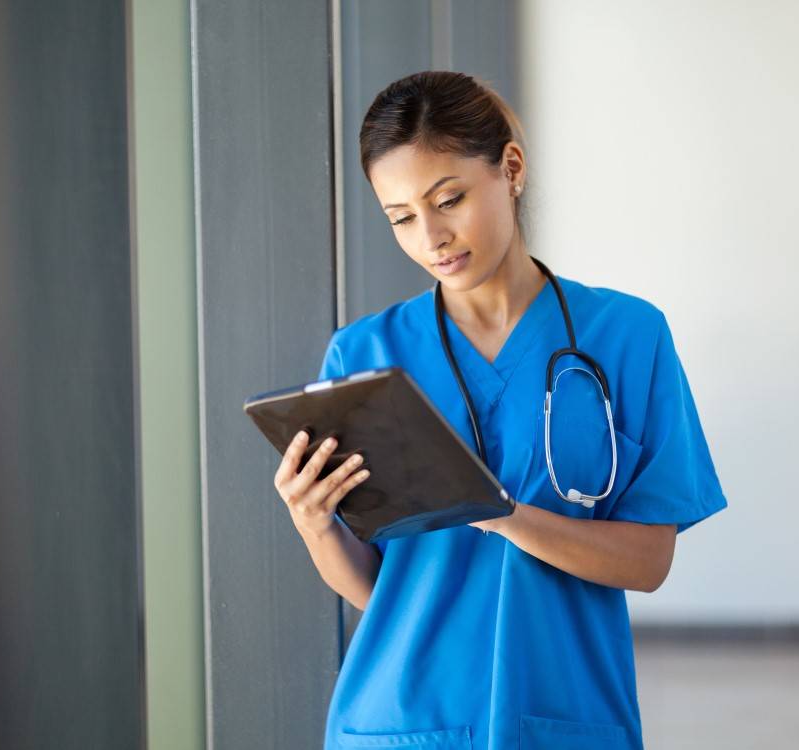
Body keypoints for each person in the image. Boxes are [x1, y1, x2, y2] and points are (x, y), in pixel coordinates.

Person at [273, 70, 728, 750]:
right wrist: (314, 527)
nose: (431, 237)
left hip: (563, 715)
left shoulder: (627, 336)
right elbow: (379, 588)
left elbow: (646, 562)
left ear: (509, 169)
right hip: (401, 722)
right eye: (400, 217)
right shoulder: (365, 354)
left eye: (448, 199)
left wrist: (499, 513)